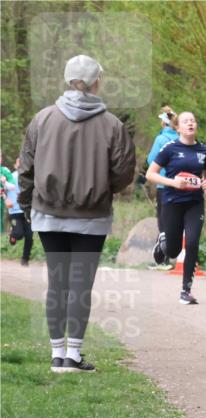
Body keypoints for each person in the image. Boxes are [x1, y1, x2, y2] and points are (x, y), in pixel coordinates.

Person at [18, 54, 136, 372]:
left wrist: (25, 205)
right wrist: (101, 187)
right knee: (81, 285)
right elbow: (124, 171)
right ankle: (73, 354)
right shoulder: (112, 124)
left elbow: (26, 169)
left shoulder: (42, 120)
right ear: (96, 81)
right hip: (93, 216)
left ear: (68, 80)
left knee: (58, 283)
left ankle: (57, 356)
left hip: (49, 212)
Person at [145, 111, 206, 304]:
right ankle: (164, 241)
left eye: (193, 120)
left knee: (192, 243)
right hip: (172, 202)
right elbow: (151, 174)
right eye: (186, 121)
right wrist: (172, 183)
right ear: (178, 127)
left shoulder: (203, 150)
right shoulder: (170, 148)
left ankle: (186, 290)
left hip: (194, 203)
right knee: (174, 251)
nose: (190, 123)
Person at [147, 105, 179, 268]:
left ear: (163, 123)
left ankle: (163, 259)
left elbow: (151, 159)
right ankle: (174, 256)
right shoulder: (181, 138)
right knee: (175, 220)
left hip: (163, 184)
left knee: (163, 221)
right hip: (180, 185)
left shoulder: (161, 139)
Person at [3, 158, 32, 265]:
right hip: (14, 211)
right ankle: (13, 234)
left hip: (27, 211)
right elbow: (2, 189)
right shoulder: (10, 177)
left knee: (29, 235)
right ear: (15, 165)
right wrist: (6, 199)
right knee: (18, 234)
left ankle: (25, 259)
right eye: (19, 163)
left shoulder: (30, 178)